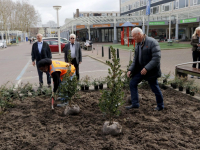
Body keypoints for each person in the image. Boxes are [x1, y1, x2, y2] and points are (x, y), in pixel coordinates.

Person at [125, 27, 164, 111]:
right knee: (132, 83)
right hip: (141, 70)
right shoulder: (138, 44)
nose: (133, 39)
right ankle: (135, 104)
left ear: (139, 34)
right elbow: (135, 59)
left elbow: (156, 58)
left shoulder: (152, 42)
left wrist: (147, 68)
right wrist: (130, 69)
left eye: (134, 36)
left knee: (154, 88)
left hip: (151, 71)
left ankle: (160, 106)